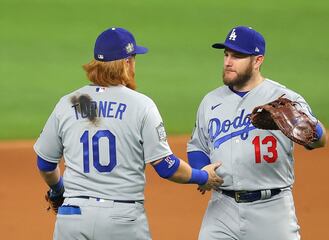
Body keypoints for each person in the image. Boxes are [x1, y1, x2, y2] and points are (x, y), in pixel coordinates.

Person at [34, 27, 223, 240]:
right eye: (133, 59)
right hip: (121, 219)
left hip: (72, 216)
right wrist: (203, 176)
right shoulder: (142, 105)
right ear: (126, 63)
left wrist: (59, 191)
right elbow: (166, 167)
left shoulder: (69, 102)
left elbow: (45, 163)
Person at [187, 26, 327, 240]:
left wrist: (307, 125)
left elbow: (320, 140)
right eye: (226, 54)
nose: (228, 61)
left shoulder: (284, 98)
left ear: (258, 60)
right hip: (221, 208)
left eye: (237, 56)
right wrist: (201, 172)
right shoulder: (210, 101)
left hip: (272, 208)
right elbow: (198, 145)